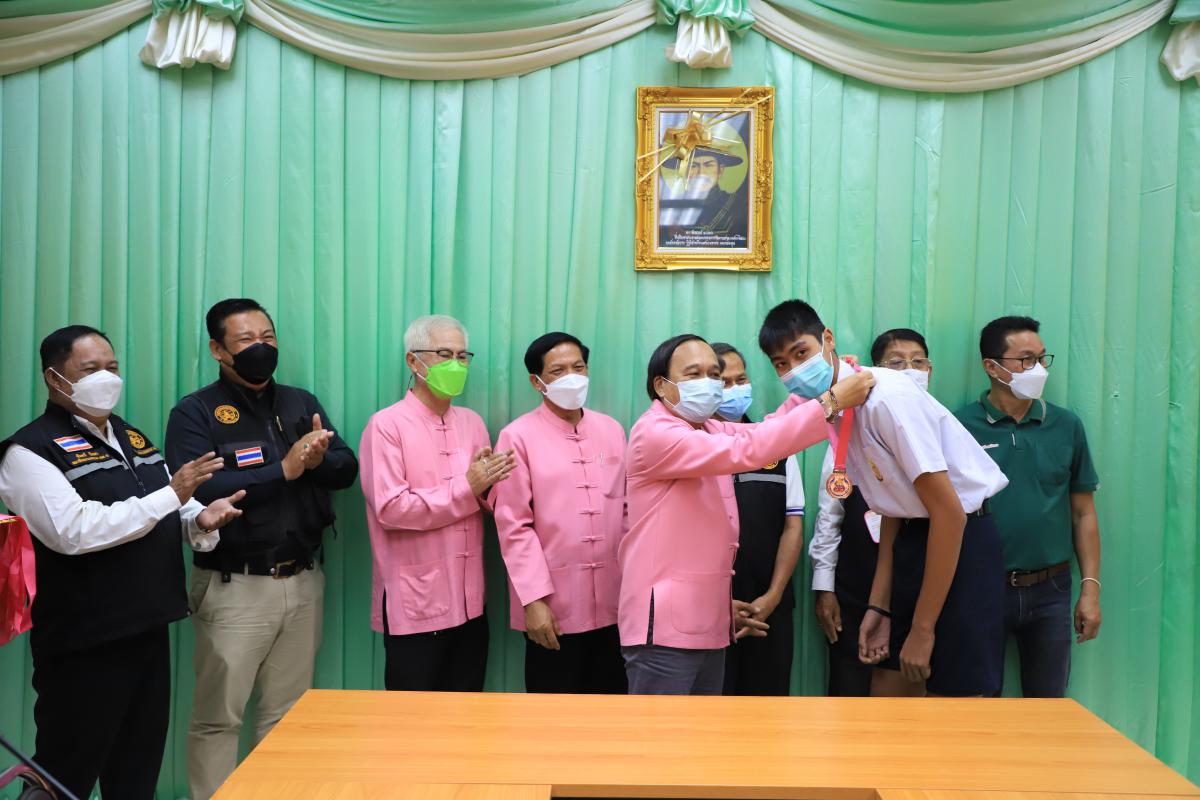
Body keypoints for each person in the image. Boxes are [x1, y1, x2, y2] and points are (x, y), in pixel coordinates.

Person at [0, 325, 243, 800]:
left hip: (148, 627)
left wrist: (200, 518)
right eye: (90, 369)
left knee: (136, 771)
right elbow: (74, 531)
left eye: (112, 367)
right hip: (85, 640)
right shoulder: (27, 452)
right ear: (54, 378)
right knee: (65, 773)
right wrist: (172, 496)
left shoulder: (131, 436)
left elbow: (165, 505)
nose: (106, 378)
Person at [758, 301, 1009, 697]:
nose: (794, 369)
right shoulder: (839, 406)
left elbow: (949, 514)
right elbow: (892, 504)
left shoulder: (887, 399)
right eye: (781, 364)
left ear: (828, 340)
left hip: (958, 543)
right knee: (891, 693)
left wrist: (923, 629)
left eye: (801, 352)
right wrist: (880, 606)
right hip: (909, 538)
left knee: (955, 702)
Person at [165, 298, 359, 800]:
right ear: (218, 349)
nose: (261, 348)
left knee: (287, 715)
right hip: (235, 585)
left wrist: (316, 461)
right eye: (247, 339)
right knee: (218, 718)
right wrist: (284, 470)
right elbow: (198, 491)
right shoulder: (195, 412)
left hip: (303, 579)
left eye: (268, 338)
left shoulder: (298, 401)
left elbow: (346, 468)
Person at [618, 333, 874, 695]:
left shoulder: (705, 428)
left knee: (704, 729)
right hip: (664, 630)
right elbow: (751, 447)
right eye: (694, 374)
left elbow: (765, 430)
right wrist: (832, 401)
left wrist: (826, 380)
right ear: (662, 386)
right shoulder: (655, 433)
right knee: (662, 730)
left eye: (713, 374)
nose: (708, 383)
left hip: (707, 621)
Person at [359, 314, 515, 692]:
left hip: (471, 603)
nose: (456, 365)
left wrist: (489, 489)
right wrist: (468, 487)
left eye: (463, 356)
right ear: (413, 361)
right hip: (415, 605)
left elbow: (482, 499)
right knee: (413, 718)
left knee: (467, 714)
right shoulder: (386, 426)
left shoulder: (472, 422)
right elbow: (391, 509)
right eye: (445, 354)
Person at [955, 316, 1101, 697]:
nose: (1038, 369)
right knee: (977, 702)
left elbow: (1083, 513)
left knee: (1048, 706)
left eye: (1041, 358)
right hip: (981, 585)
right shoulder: (959, 426)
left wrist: (1090, 589)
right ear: (992, 367)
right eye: (1025, 360)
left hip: (1051, 589)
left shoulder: (1066, 426)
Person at [493, 332, 628, 694]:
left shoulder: (612, 430)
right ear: (536, 382)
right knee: (553, 714)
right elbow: (514, 527)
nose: (572, 377)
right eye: (558, 371)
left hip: (615, 605)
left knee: (614, 709)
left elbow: (628, 512)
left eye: (578, 367)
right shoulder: (516, 437)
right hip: (554, 609)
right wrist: (533, 602)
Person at [810, 328, 933, 696]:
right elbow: (829, 516)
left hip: (916, 586)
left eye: (918, 362)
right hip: (855, 586)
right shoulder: (849, 430)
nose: (909, 370)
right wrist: (824, 588)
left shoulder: (937, 428)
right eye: (896, 363)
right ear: (874, 372)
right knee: (848, 691)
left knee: (907, 699)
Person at [710, 342, 805, 696]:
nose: (736, 389)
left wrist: (773, 596)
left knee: (768, 709)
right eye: (724, 383)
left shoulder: (775, 446)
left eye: (741, 379)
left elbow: (793, 525)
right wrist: (718, 605)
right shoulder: (691, 448)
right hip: (707, 612)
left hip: (769, 608)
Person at [658, 143, 749, 248]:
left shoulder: (740, 205)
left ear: (720, 170)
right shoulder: (669, 207)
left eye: (708, 165)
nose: (701, 172)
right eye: (693, 166)